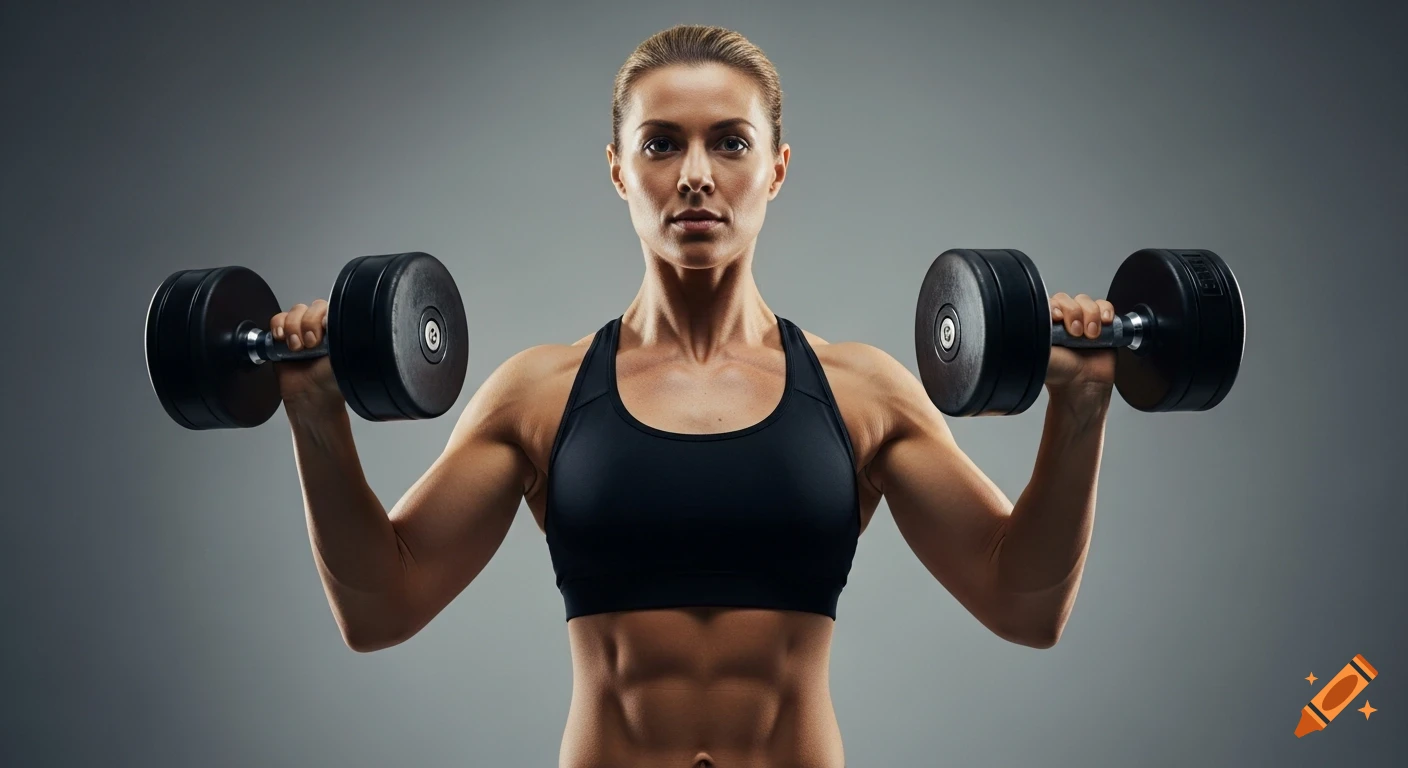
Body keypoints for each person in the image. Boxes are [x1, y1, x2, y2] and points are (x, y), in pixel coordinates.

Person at [269, 24, 1118, 768]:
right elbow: (381, 607)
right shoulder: (540, 394)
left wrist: (1079, 412)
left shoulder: (861, 393)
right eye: (662, 143)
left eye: (731, 143)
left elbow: (1023, 603)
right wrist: (316, 416)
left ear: (777, 168)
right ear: (617, 169)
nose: (696, 176)